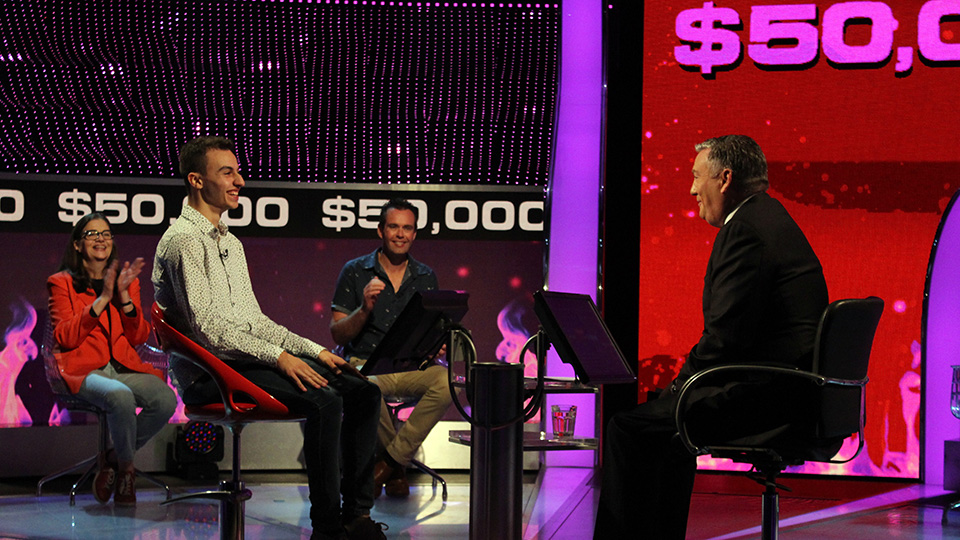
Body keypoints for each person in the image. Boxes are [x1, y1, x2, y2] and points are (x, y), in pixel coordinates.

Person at [593, 135, 829, 539]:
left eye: (696, 177)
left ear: (724, 178)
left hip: (773, 399)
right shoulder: (768, 218)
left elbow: (724, 339)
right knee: (666, 423)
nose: (691, 189)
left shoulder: (747, 230)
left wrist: (679, 386)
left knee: (628, 429)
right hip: (793, 392)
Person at [153, 136, 384, 540]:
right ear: (196, 181)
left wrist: (314, 351)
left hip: (243, 358)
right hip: (211, 372)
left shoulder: (230, 242)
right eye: (227, 172)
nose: (240, 180)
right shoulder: (184, 241)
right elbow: (209, 331)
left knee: (361, 390)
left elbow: (252, 321)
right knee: (324, 400)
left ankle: (357, 516)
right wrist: (279, 358)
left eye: (238, 171)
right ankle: (327, 528)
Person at [47, 212, 177, 507]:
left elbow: (139, 336)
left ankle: (111, 459)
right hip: (83, 370)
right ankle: (127, 473)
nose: (101, 239)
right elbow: (65, 337)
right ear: (78, 244)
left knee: (165, 400)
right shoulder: (61, 282)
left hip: (122, 366)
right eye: (92, 234)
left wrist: (125, 300)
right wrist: (101, 300)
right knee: (120, 397)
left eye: (106, 234)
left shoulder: (125, 281)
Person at [330, 198, 452, 498]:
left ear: (414, 234)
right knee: (366, 387)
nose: (400, 234)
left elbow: (434, 329)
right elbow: (338, 334)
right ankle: (396, 469)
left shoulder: (426, 275)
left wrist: (437, 345)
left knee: (447, 382)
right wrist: (363, 309)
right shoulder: (356, 271)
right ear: (380, 231)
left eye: (407, 228)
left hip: (411, 365)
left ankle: (386, 464)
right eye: (394, 227)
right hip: (366, 364)